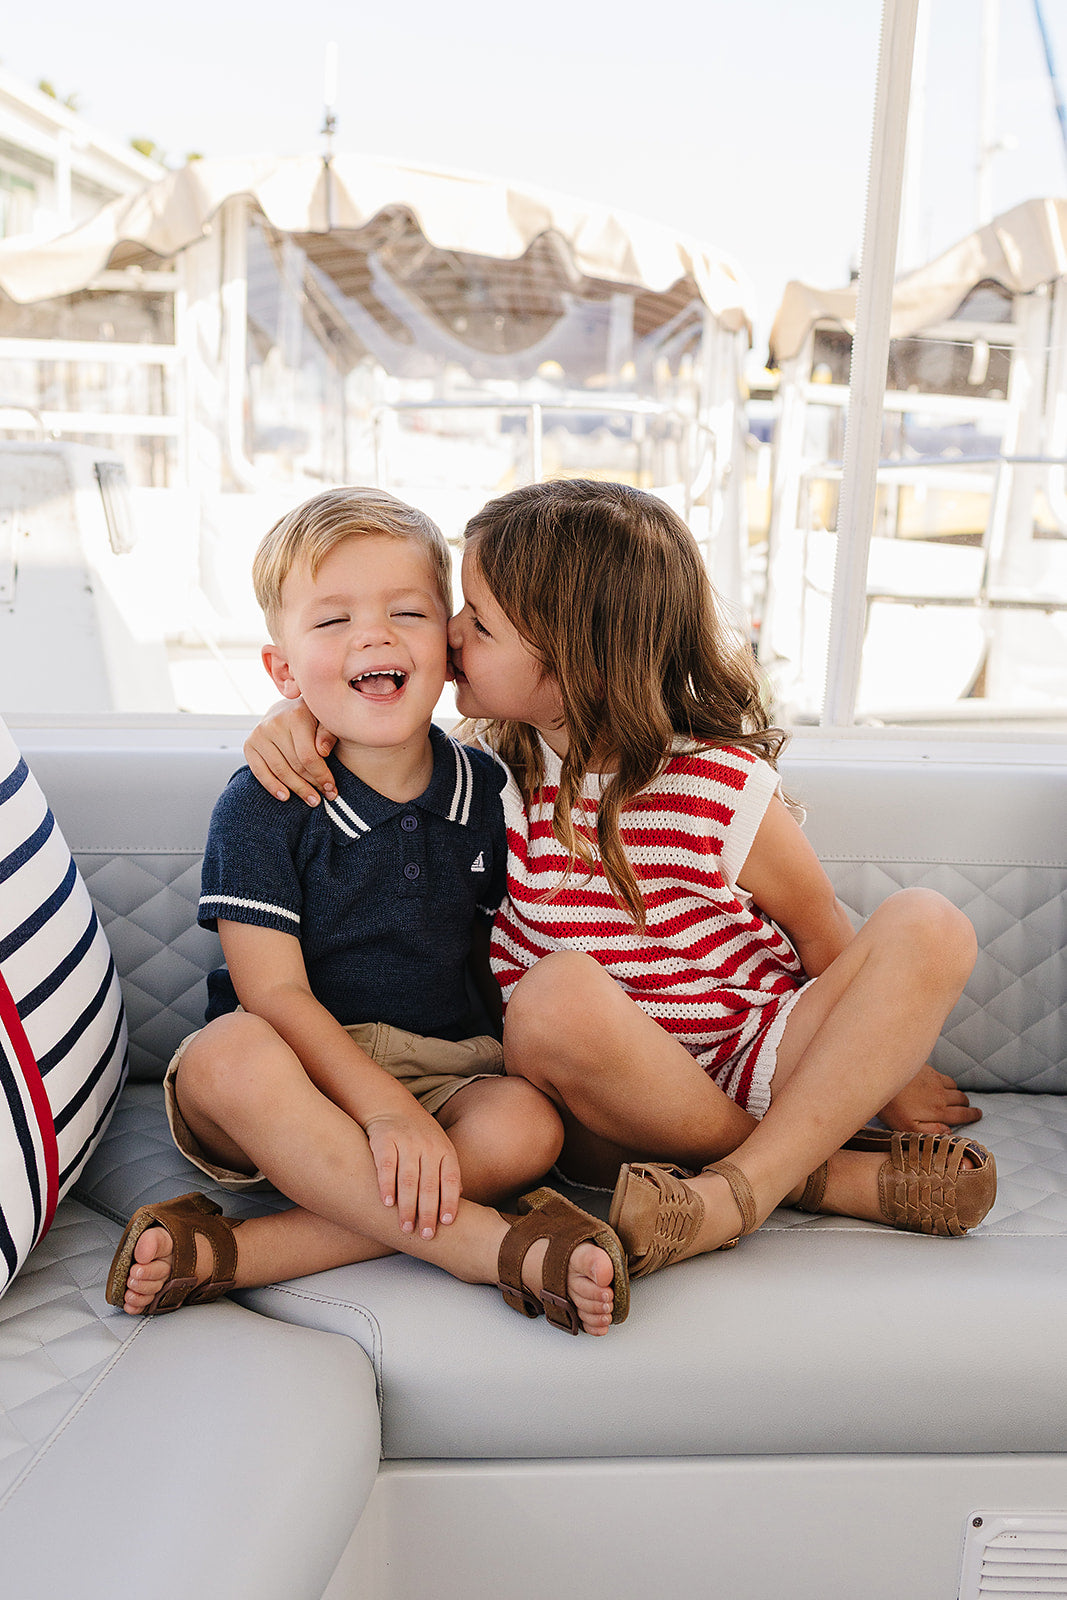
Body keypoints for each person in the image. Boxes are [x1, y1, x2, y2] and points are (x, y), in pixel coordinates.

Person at [245, 478, 996, 1283]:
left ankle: (739, 1190)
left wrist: (894, 1075)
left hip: (765, 1057)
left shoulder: (719, 784)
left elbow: (824, 943)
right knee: (554, 993)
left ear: (579, 664)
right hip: (608, 1113)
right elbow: (379, 740)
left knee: (929, 922)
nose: (449, 632)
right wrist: (298, 722)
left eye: (479, 621)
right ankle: (806, 1178)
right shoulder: (485, 776)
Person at [106, 486, 629, 1336]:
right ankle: (484, 1245)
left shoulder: (493, 789)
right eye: (332, 621)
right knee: (226, 1054)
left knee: (528, 1126)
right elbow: (271, 995)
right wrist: (381, 1111)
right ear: (283, 670)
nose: (373, 636)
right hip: (291, 1072)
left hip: (444, 1072)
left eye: (407, 612)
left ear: (452, 648)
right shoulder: (266, 801)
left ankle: (240, 1255)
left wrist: (409, 1103)